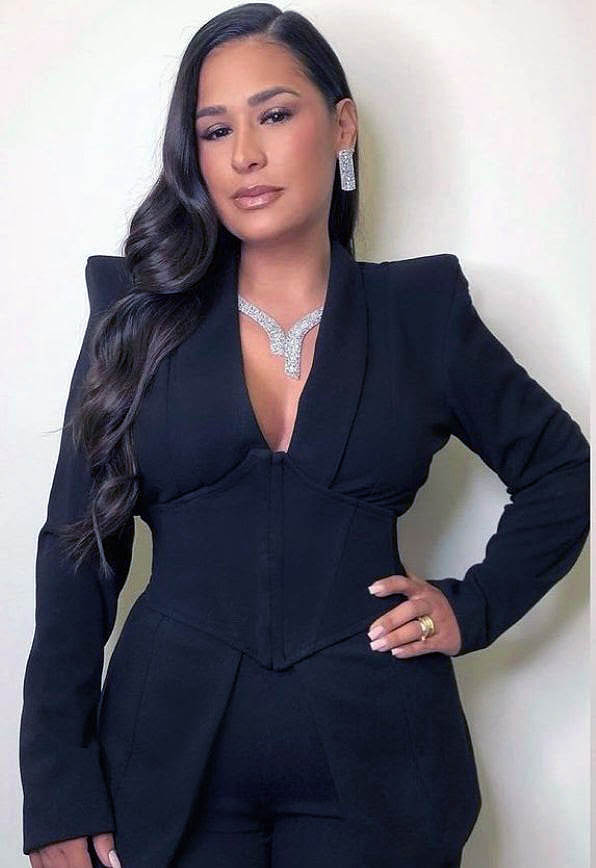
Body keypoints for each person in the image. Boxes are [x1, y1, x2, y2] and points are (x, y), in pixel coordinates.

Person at [19, 4, 590, 868]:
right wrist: (57, 787)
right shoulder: (134, 319)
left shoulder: (421, 313)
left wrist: (471, 607)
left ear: (342, 125)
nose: (245, 155)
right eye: (216, 130)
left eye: (275, 114)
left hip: (383, 769)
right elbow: (76, 552)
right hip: (164, 772)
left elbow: (559, 468)